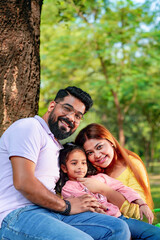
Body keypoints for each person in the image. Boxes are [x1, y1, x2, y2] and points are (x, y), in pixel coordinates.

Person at [0, 87, 131, 240]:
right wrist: (66, 206)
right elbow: (23, 182)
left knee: (117, 228)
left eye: (78, 115)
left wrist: (90, 202)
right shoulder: (29, 127)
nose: (71, 118)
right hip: (17, 215)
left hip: (50, 211)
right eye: (67, 109)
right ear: (51, 106)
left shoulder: (57, 146)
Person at [56, 142, 160, 239]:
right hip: (100, 222)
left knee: (155, 233)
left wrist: (141, 203)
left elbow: (122, 187)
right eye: (74, 163)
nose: (80, 167)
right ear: (64, 168)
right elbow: (89, 204)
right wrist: (101, 212)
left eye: (83, 163)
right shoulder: (68, 189)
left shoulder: (100, 178)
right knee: (122, 230)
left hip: (119, 218)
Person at [75, 123, 154, 220]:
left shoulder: (132, 164)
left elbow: (138, 212)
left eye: (99, 147)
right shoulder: (89, 172)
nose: (97, 155)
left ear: (110, 142)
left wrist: (104, 190)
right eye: (90, 153)